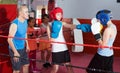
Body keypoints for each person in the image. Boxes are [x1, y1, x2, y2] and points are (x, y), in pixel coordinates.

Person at [50, 7, 91, 73]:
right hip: (56, 48)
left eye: (60, 14)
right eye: (58, 14)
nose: (59, 16)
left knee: (69, 65)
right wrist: (52, 37)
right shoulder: (50, 24)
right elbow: (50, 38)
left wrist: (79, 27)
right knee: (55, 68)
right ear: (54, 15)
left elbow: (70, 26)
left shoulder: (61, 23)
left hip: (64, 47)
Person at [7, 4, 30, 73]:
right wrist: (15, 52)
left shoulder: (25, 21)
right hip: (15, 49)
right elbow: (9, 39)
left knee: (26, 65)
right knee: (17, 70)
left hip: (22, 48)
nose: (28, 13)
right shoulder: (15, 24)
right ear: (20, 13)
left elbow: (25, 33)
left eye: (27, 11)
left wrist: (27, 44)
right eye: (26, 12)